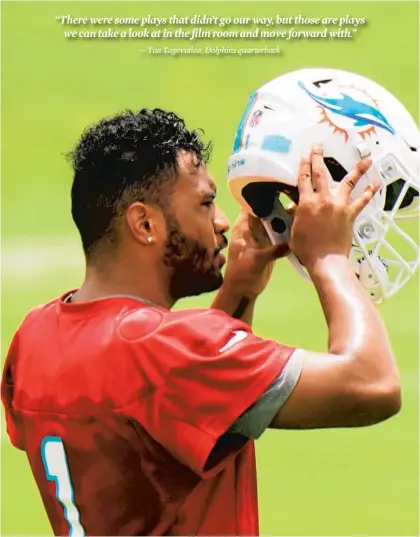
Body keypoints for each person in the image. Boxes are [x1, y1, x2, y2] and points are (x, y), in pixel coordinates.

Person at [1, 108, 401, 537]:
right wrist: (328, 256)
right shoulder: (166, 351)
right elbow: (372, 384)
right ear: (145, 223)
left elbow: (172, 413)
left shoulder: (35, 337)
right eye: (206, 203)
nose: (223, 221)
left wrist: (240, 289)